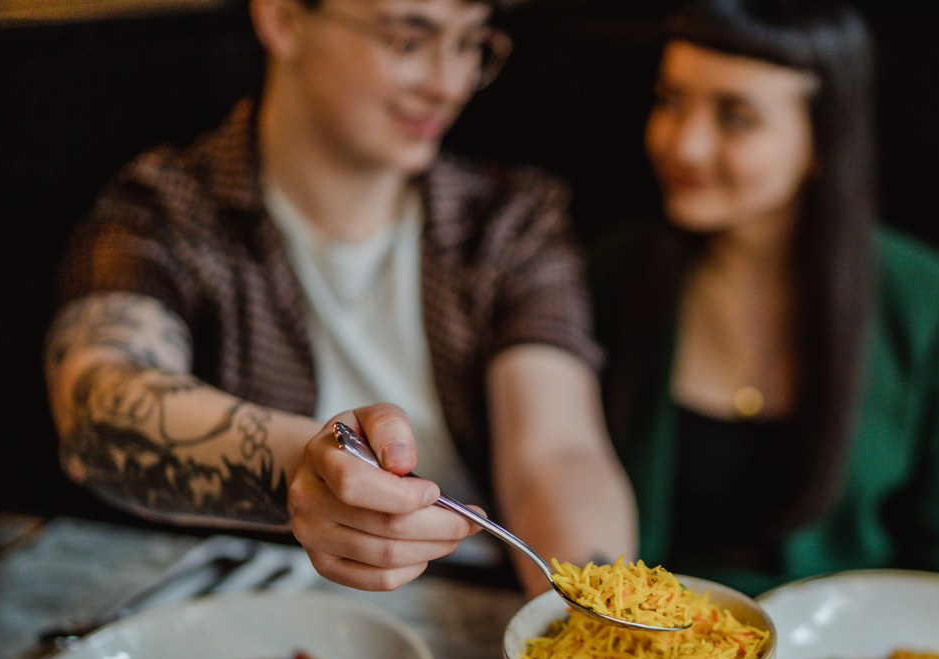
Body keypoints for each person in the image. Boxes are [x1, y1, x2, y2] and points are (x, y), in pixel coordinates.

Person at [42, 0, 640, 599]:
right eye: (409, 39)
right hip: (255, 616)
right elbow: (100, 405)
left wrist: (592, 614)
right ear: (282, 18)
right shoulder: (167, 210)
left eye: (469, 45)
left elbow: (556, 455)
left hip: (479, 614)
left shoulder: (511, 221)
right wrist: (301, 469)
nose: (449, 83)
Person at [587, 0, 939, 600]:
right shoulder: (605, 274)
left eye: (736, 118)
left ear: (820, 143)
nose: (684, 145)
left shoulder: (931, 305)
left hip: (845, 655)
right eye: (671, 101)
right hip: (655, 650)